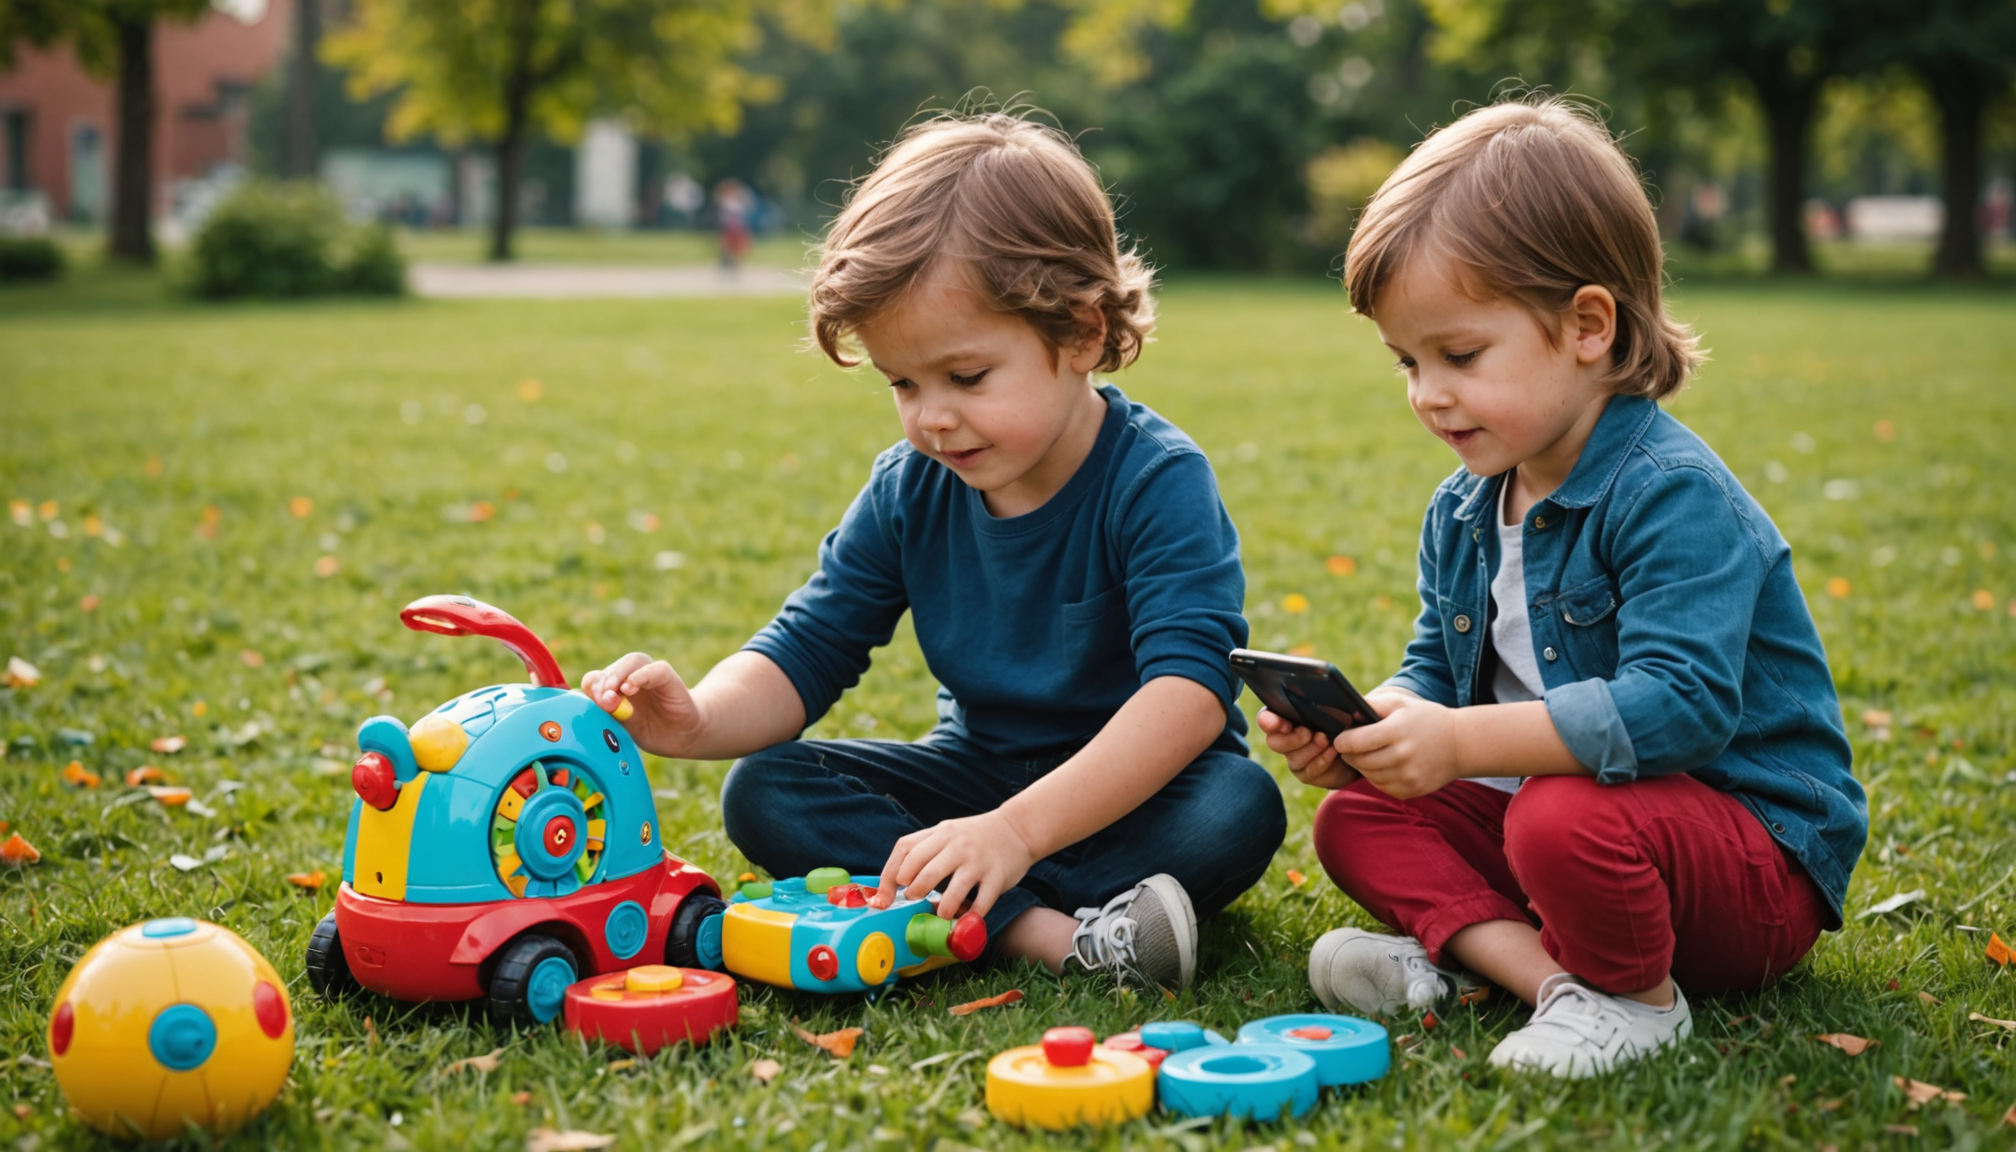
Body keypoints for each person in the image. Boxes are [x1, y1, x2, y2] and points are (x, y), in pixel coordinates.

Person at [584, 113, 1285, 990]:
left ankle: (965, 907)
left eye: (966, 378)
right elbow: (808, 649)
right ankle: (1058, 935)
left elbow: (1186, 699)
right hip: (973, 781)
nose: (932, 417)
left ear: (1082, 334)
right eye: (903, 384)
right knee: (766, 787)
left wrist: (1018, 834)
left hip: (1138, 794)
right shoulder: (910, 484)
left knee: (1236, 808)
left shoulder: (1156, 479)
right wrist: (699, 719)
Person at [1260, 97, 1865, 1077]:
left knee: (1558, 810)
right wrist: (1379, 726)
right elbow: (1437, 666)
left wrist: (1457, 743)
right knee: (1359, 821)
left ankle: (1638, 1001)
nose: (1427, 392)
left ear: (1588, 326)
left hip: (1742, 869)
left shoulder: (1672, 497)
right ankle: (1541, 980)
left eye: (1459, 355)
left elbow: (1683, 707)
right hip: (1573, 850)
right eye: (1408, 362)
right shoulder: (1463, 509)